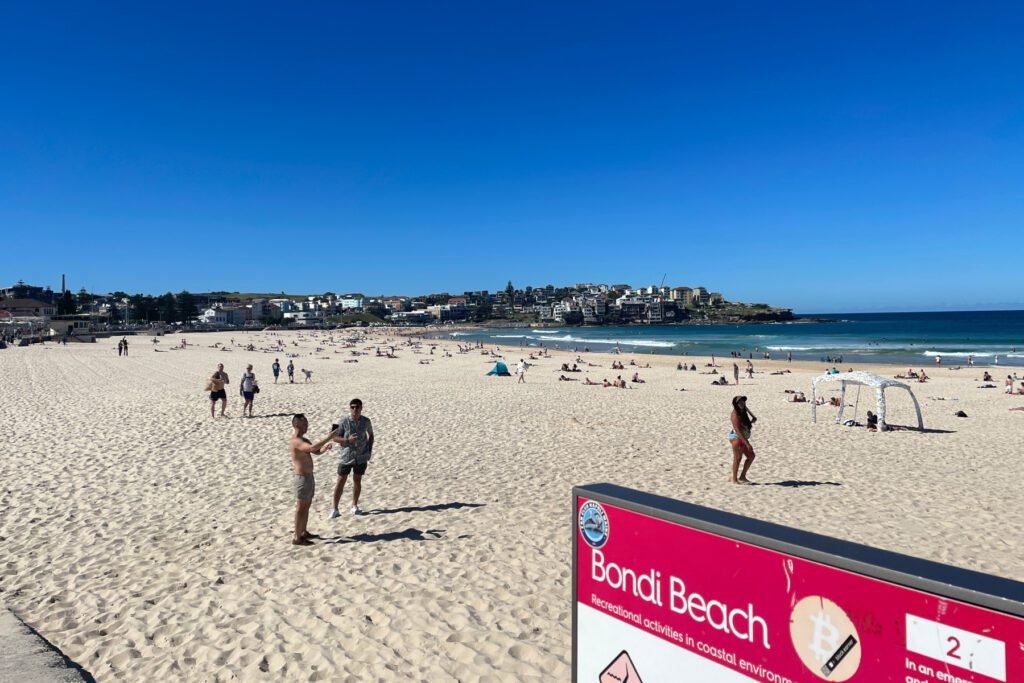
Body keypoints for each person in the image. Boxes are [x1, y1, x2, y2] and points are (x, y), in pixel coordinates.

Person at [288, 414, 335, 546]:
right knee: (300, 507)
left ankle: (303, 531)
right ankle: (297, 537)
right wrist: (329, 437)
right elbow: (311, 448)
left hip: (309, 477)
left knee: (306, 506)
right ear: (297, 425)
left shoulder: (304, 439)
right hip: (302, 478)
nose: (307, 426)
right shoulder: (296, 441)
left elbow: (315, 451)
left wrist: (324, 449)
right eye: (304, 423)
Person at [329, 398, 374, 518]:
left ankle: (354, 505)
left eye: (357, 407)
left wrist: (369, 451)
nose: (355, 409)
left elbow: (371, 435)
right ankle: (335, 508)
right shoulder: (343, 421)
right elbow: (334, 438)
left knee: (357, 480)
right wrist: (347, 440)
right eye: (352, 407)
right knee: (340, 481)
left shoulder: (366, 421)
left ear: (361, 408)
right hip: (346, 456)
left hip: (361, 456)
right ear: (350, 408)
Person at [728, 396, 757, 484]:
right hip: (737, 438)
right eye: (739, 402)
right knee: (737, 458)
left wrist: (752, 421)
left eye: (743, 402)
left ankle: (742, 476)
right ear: (735, 404)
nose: (742, 403)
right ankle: (734, 479)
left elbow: (743, 425)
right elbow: (738, 430)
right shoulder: (735, 414)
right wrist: (747, 443)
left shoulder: (743, 411)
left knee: (751, 456)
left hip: (742, 437)